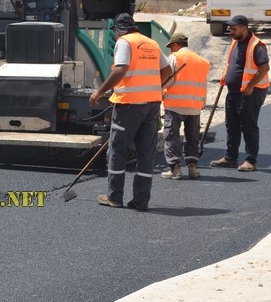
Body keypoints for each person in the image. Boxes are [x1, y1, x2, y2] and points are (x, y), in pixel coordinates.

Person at [89, 13, 172, 211]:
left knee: (117, 150)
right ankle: (141, 200)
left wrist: (99, 92)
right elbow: (167, 71)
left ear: (117, 30)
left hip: (128, 105)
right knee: (145, 152)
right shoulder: (151, 43)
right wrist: (152, 87)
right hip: (152, 104)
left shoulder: (124, 42)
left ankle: (114, 196)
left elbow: (120, 69)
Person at [211, 15, 270, 172]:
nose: (231, 31)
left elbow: (264, 69)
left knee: (248, 126)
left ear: (244, 28)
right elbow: (233, 64)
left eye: (234, 28)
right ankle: (230, 158)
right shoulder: (235, 42)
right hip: (233, 91)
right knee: (232, 125)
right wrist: (226, 78)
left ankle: (251, 160)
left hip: (250, 92)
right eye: (230, 28)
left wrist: (250, 86)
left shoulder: (257, 46)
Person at [160, 32, 211, 180]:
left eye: (171, 47)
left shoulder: (175, 58)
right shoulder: (202, 61)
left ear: (176, 45)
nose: (171, 50)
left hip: (175, 104)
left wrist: (160, 89)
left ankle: (175, 169)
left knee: (172, 137)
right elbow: (203, 84)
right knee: (192, 138)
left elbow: (168, 80)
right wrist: (202, 103)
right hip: (194, 106)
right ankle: (193, 168)